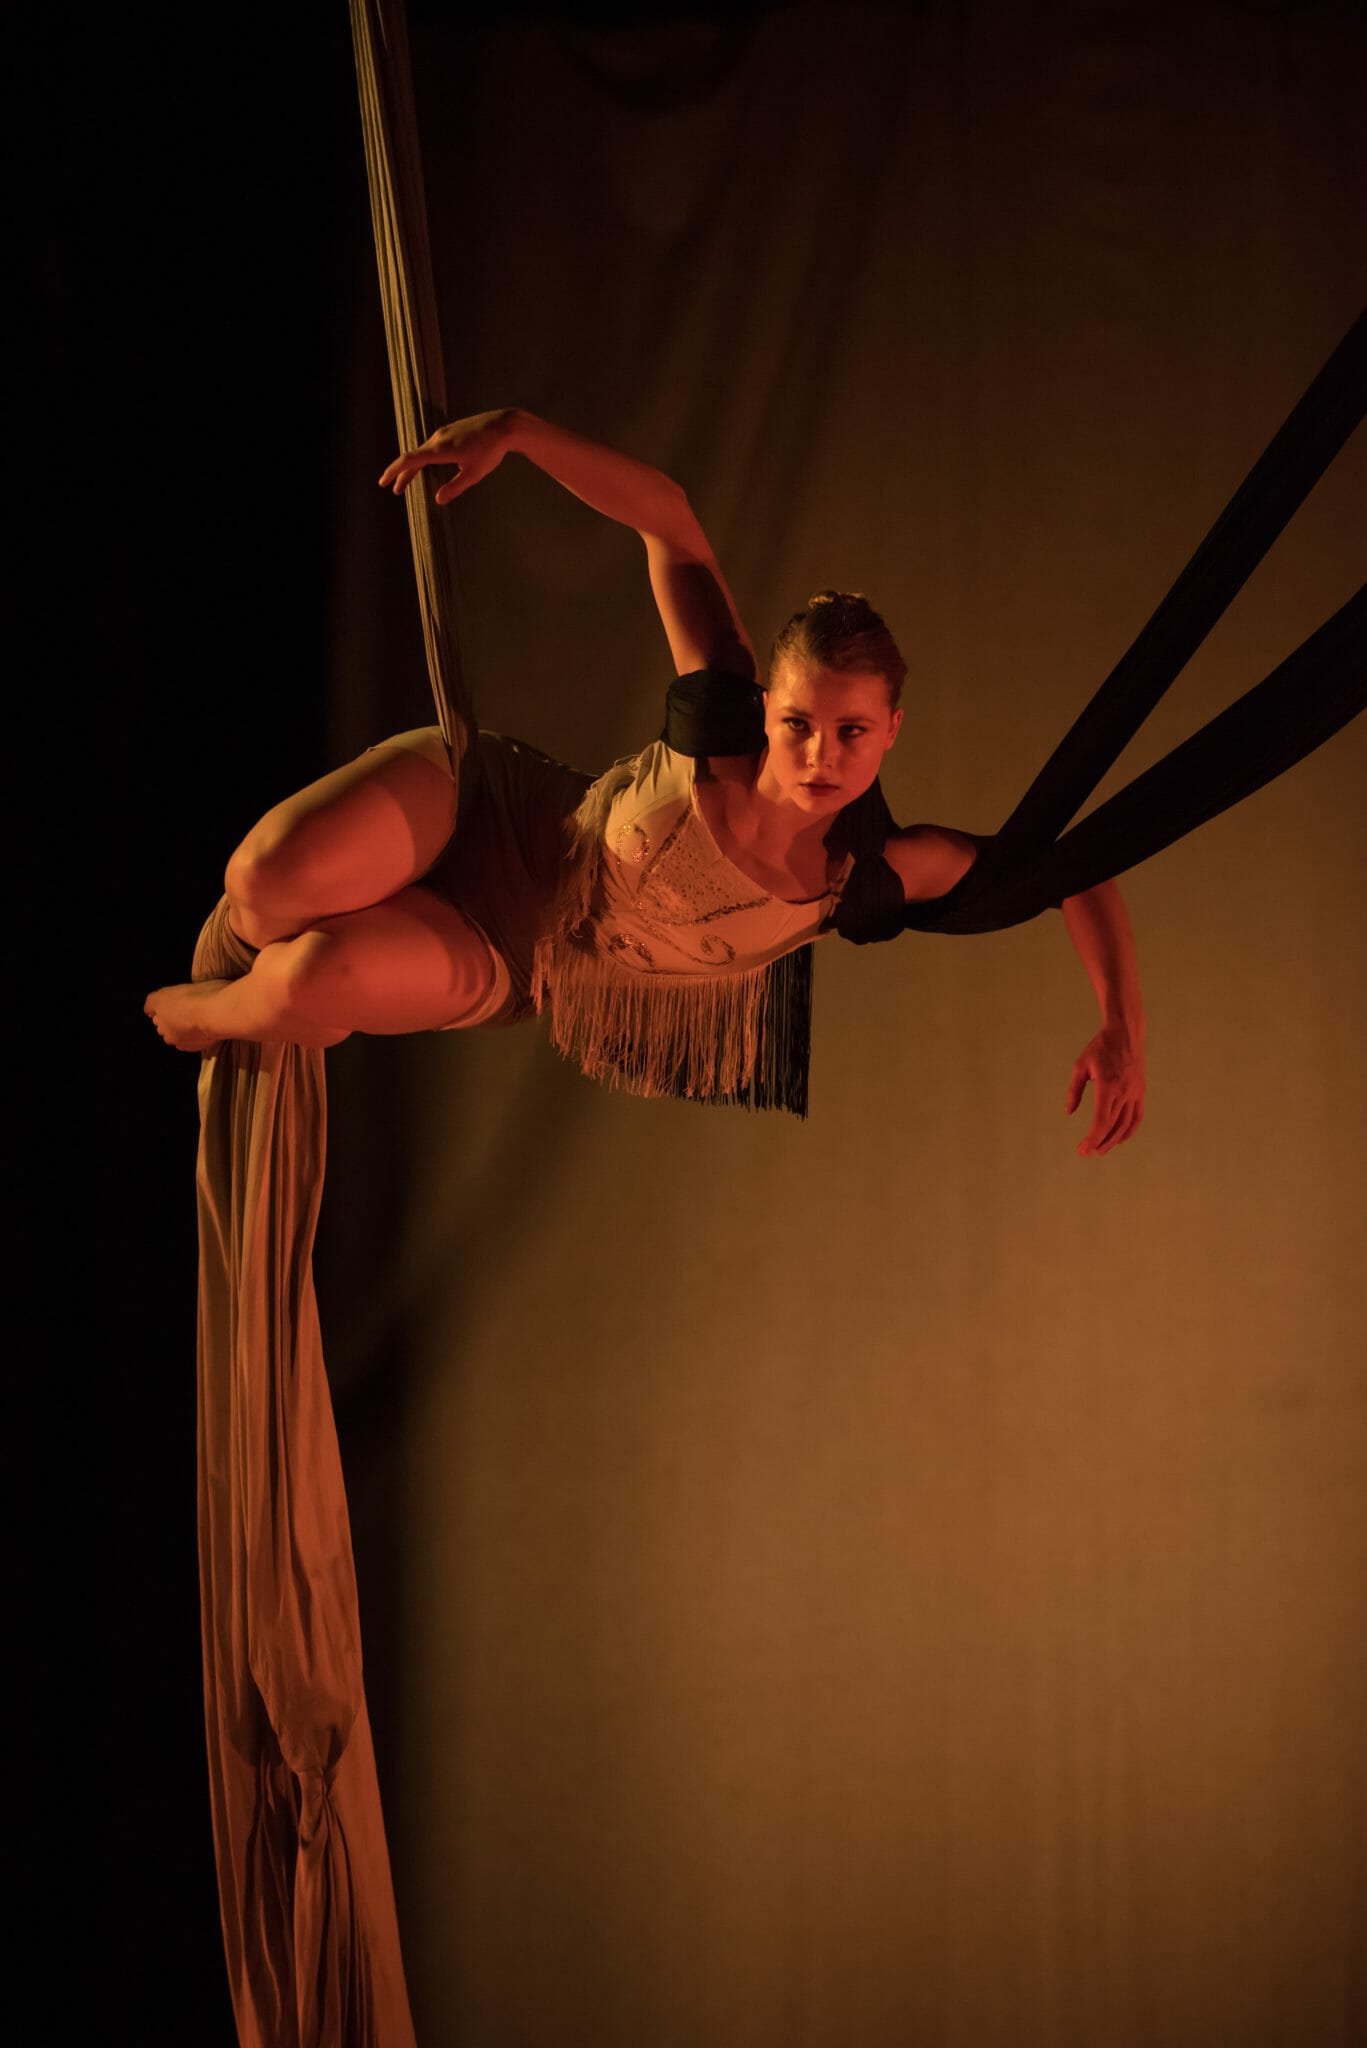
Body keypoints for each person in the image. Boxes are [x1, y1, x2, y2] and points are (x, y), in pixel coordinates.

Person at [144, 408, 1146, 1156]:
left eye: (849, 732)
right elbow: (666, 517)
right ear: (766, 710)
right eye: (796, 724)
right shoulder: (717, 719)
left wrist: (1118, 1026)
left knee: (319, 980)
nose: (817, 756)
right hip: (486, 806)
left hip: (513, 951)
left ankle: (208, 1017)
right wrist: (522, 434)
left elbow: (1065, 866)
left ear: (890, 732)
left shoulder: (873, 874)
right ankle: (248, 950)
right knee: (265, 880)